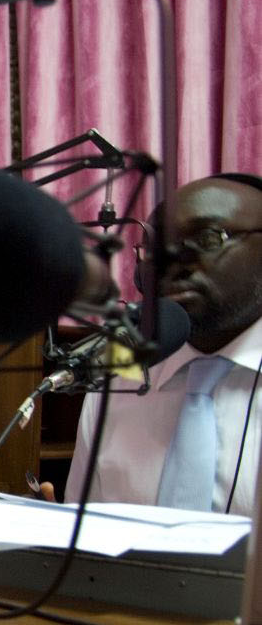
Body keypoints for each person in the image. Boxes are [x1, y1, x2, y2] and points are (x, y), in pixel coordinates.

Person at [62, 173, 262, 517]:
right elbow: (84, 536)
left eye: (208, 238)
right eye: (155, 250)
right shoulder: (119, 371)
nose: (172, 264)